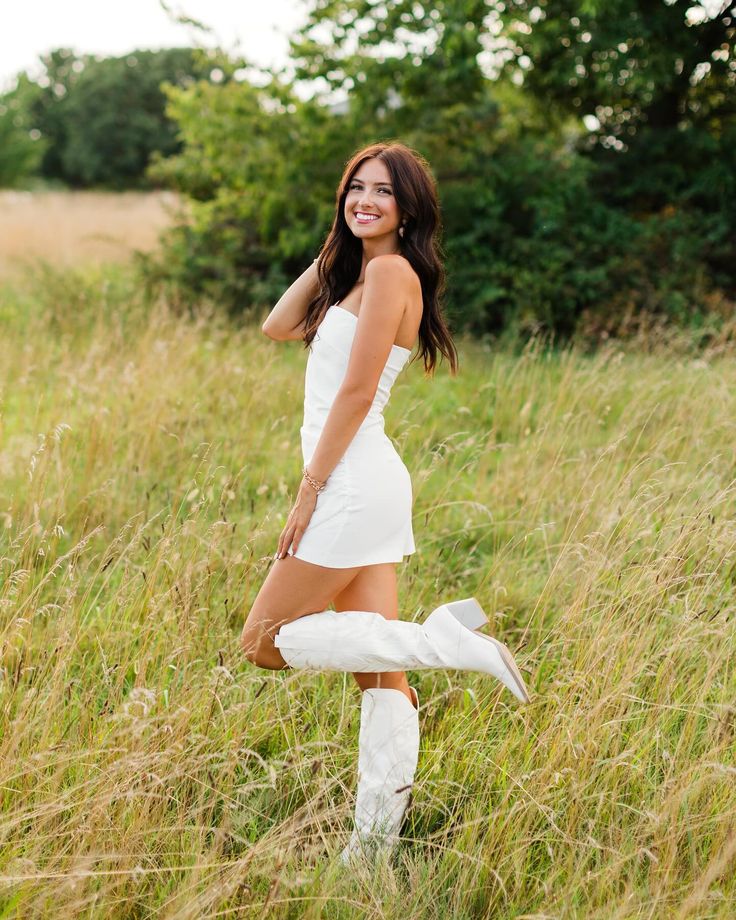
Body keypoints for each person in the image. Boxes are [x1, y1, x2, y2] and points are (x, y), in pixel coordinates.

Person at [241, 141, 531, 864]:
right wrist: (338, 242)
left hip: (350, 485)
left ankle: (445, 643)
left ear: (409, 208)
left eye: (382, 193)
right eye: (354, 189)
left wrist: (309, 491)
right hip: (361, 482)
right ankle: (371, 852)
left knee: (265, 643)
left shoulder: (394, 270)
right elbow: (277, 325)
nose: (365, 200)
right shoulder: (363, 272)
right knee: (382, 680)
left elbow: (358, 392)